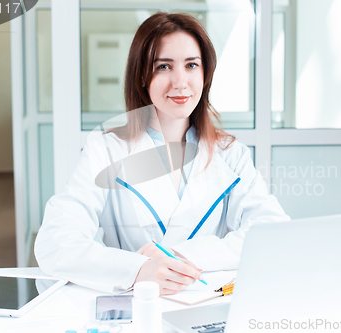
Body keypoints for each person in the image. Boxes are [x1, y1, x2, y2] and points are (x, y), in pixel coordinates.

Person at [34, 12, 290, 295]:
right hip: (133, 304)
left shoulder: (231, 154)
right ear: (142, 76)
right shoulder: (105, 150)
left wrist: (182, 256)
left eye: (191, 65)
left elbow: (272, 232)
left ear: (205, 75)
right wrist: (138, 270)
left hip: (204, 303)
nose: (180, 82)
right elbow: (56, 242)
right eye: (164, 67)